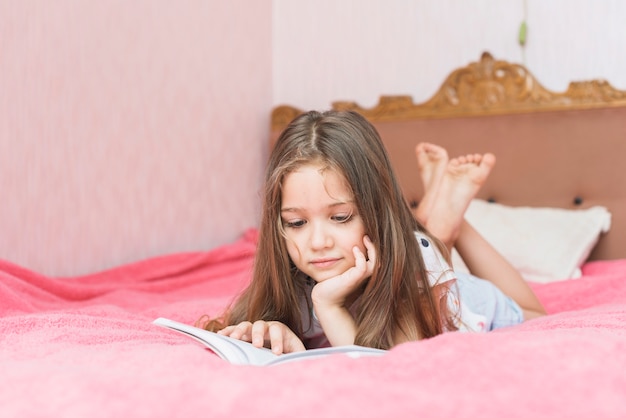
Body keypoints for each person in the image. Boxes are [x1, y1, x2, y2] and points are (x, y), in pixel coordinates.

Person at [199, 110, 546, 354]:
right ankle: (435, 219)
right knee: (425, 243)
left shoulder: (414, 269)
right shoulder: (290, 278)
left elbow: (387, 373)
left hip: (460, 300)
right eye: (297, 223)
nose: (318, 243)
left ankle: (453, 221)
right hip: (419, 256)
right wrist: (268, 331)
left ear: (377, 212)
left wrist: (329, 305)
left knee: (534, 314)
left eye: (341, 217)